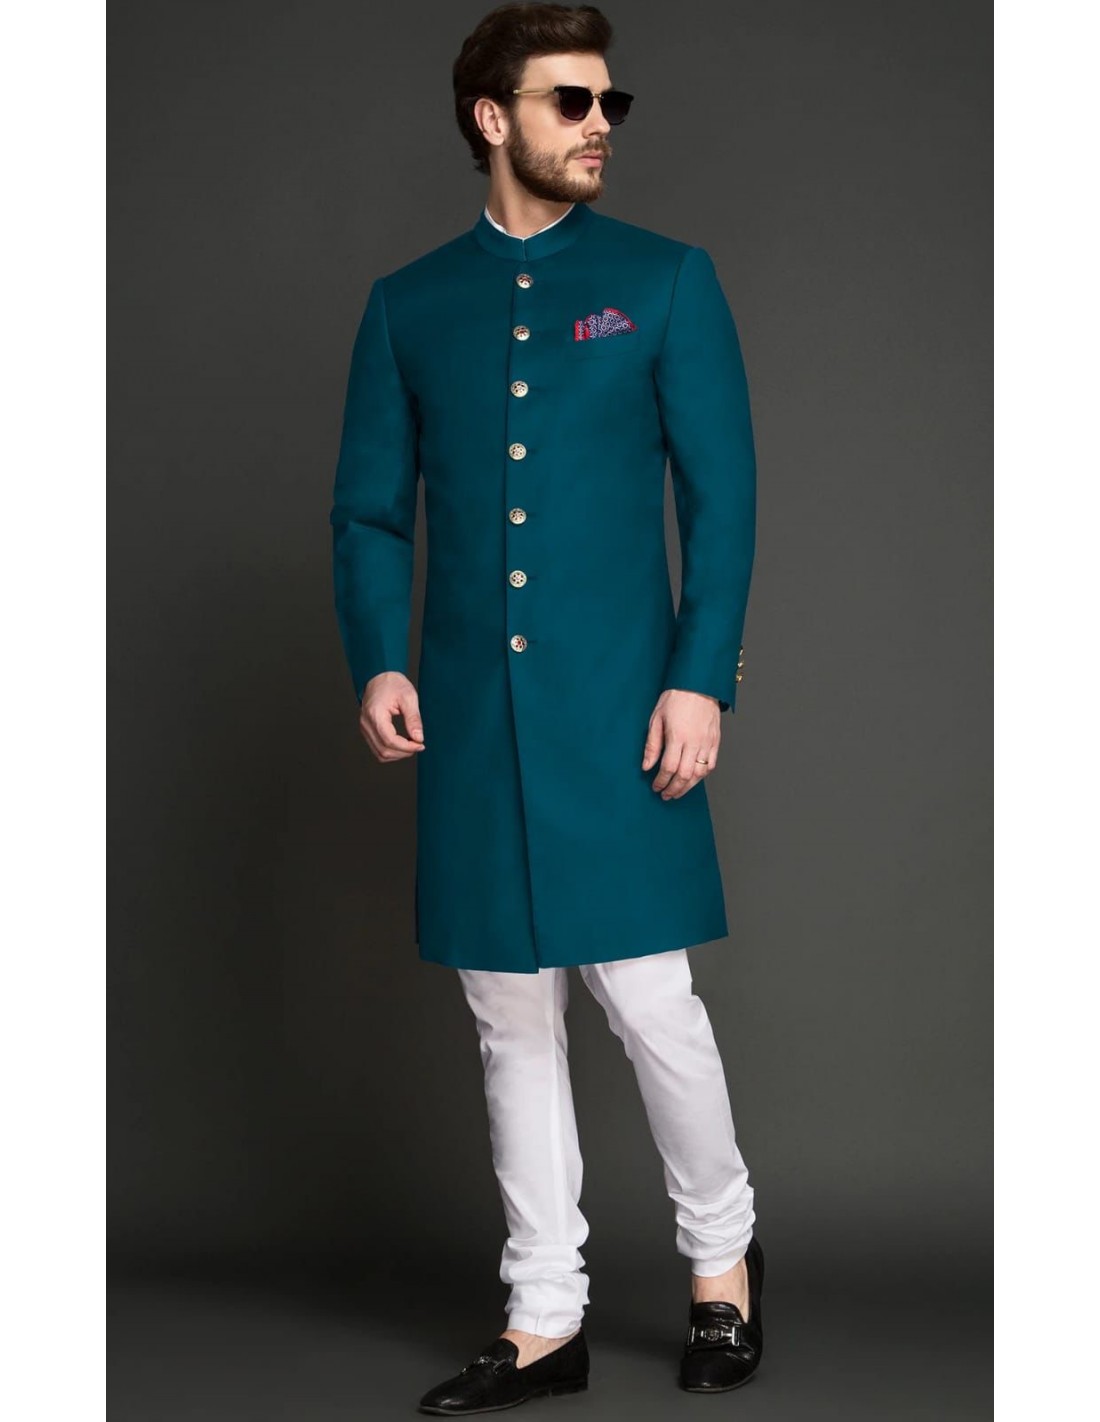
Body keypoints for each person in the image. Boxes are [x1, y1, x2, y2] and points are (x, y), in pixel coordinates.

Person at [329, 4, 765, 1411]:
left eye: (608, 102)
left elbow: (723, 499)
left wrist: (699, 675)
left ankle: (721, 1265)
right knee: (509, 1019)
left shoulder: (664, 280)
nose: (599, 124)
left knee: (650, 1004)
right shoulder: (409, 304)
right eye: (570, 99)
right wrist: (379, 658)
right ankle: (543, 1316)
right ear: (490, 115)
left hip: (621, 713)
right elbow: (370, 512)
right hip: (471, 720)